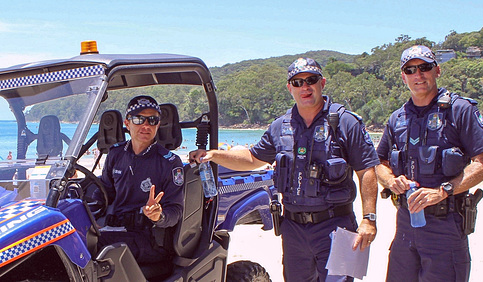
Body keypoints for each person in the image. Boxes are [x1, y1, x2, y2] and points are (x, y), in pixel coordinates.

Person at [190, 58, 379, 282]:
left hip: (336, 226)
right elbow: (253, 158)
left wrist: (369, 219)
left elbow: (366, 171)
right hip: (294, 229)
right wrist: (214, 155)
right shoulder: (280, 126)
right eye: (297, 82)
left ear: (322, 83)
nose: (305, 87)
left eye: (311, 80)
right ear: (290, 88)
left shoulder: (346, 123)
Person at [376, 45, 483, 281]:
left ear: (437, 71)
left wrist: (443, 191)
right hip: (405, 226)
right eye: (410, 70)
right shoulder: (397, 118)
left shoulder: (460, 110)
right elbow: (378, 163)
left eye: (425, 68)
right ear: (403, 77)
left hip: (446, 226)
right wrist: (392, 181)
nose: (418, 75)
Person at [93, 95, 184, 272]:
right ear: (127, 123)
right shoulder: (116, 154)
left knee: (90, 246)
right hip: (116, 228)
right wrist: (91, 217)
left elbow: (176, 211)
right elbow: (104, 194)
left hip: (150, 237)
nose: (145, 125)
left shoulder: (170, 163)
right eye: (138, 119)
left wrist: (158, 215)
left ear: (158, 124)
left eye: (152, 120)